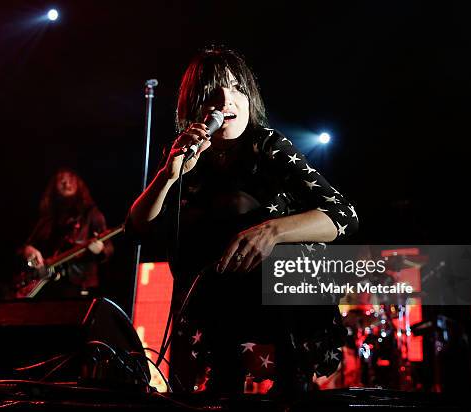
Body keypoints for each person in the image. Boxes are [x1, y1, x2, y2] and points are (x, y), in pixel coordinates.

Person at [128, 47, 359, 395]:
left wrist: (272, 231)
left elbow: (344, 215)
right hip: (211, 314)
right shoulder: (182, 155)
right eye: (214, 92)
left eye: (236, 88)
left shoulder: (268, 146)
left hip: (278, 309)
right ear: (194, 105)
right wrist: (169, 174)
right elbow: (136, 228)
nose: (227, 100)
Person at [20, 168, 113, 298]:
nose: (66, 183)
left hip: (79, 286)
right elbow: (28, 246)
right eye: (61, 179)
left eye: (70, 178)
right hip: (50, 288)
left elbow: (109, 247)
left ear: (78, 183)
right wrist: (29, 253)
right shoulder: (48, 218)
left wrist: (101, 250)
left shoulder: (91, 214)